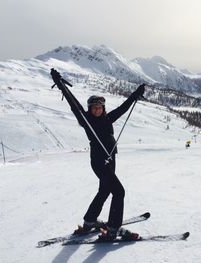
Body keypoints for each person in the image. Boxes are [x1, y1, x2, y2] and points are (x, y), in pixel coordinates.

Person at [50, 69, 145, 240]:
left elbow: (123, 108)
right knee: (119, 192)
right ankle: (113, 230)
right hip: (99, 162)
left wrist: (135, 94)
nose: (97, 110)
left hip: (111, 158)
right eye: (94, 108)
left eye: (100, 107)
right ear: (90, 109)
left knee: (105, 191)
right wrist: (60, 84)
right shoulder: (86, 120)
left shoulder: (108, 118)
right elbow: (74, 104)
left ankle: (89, 222)